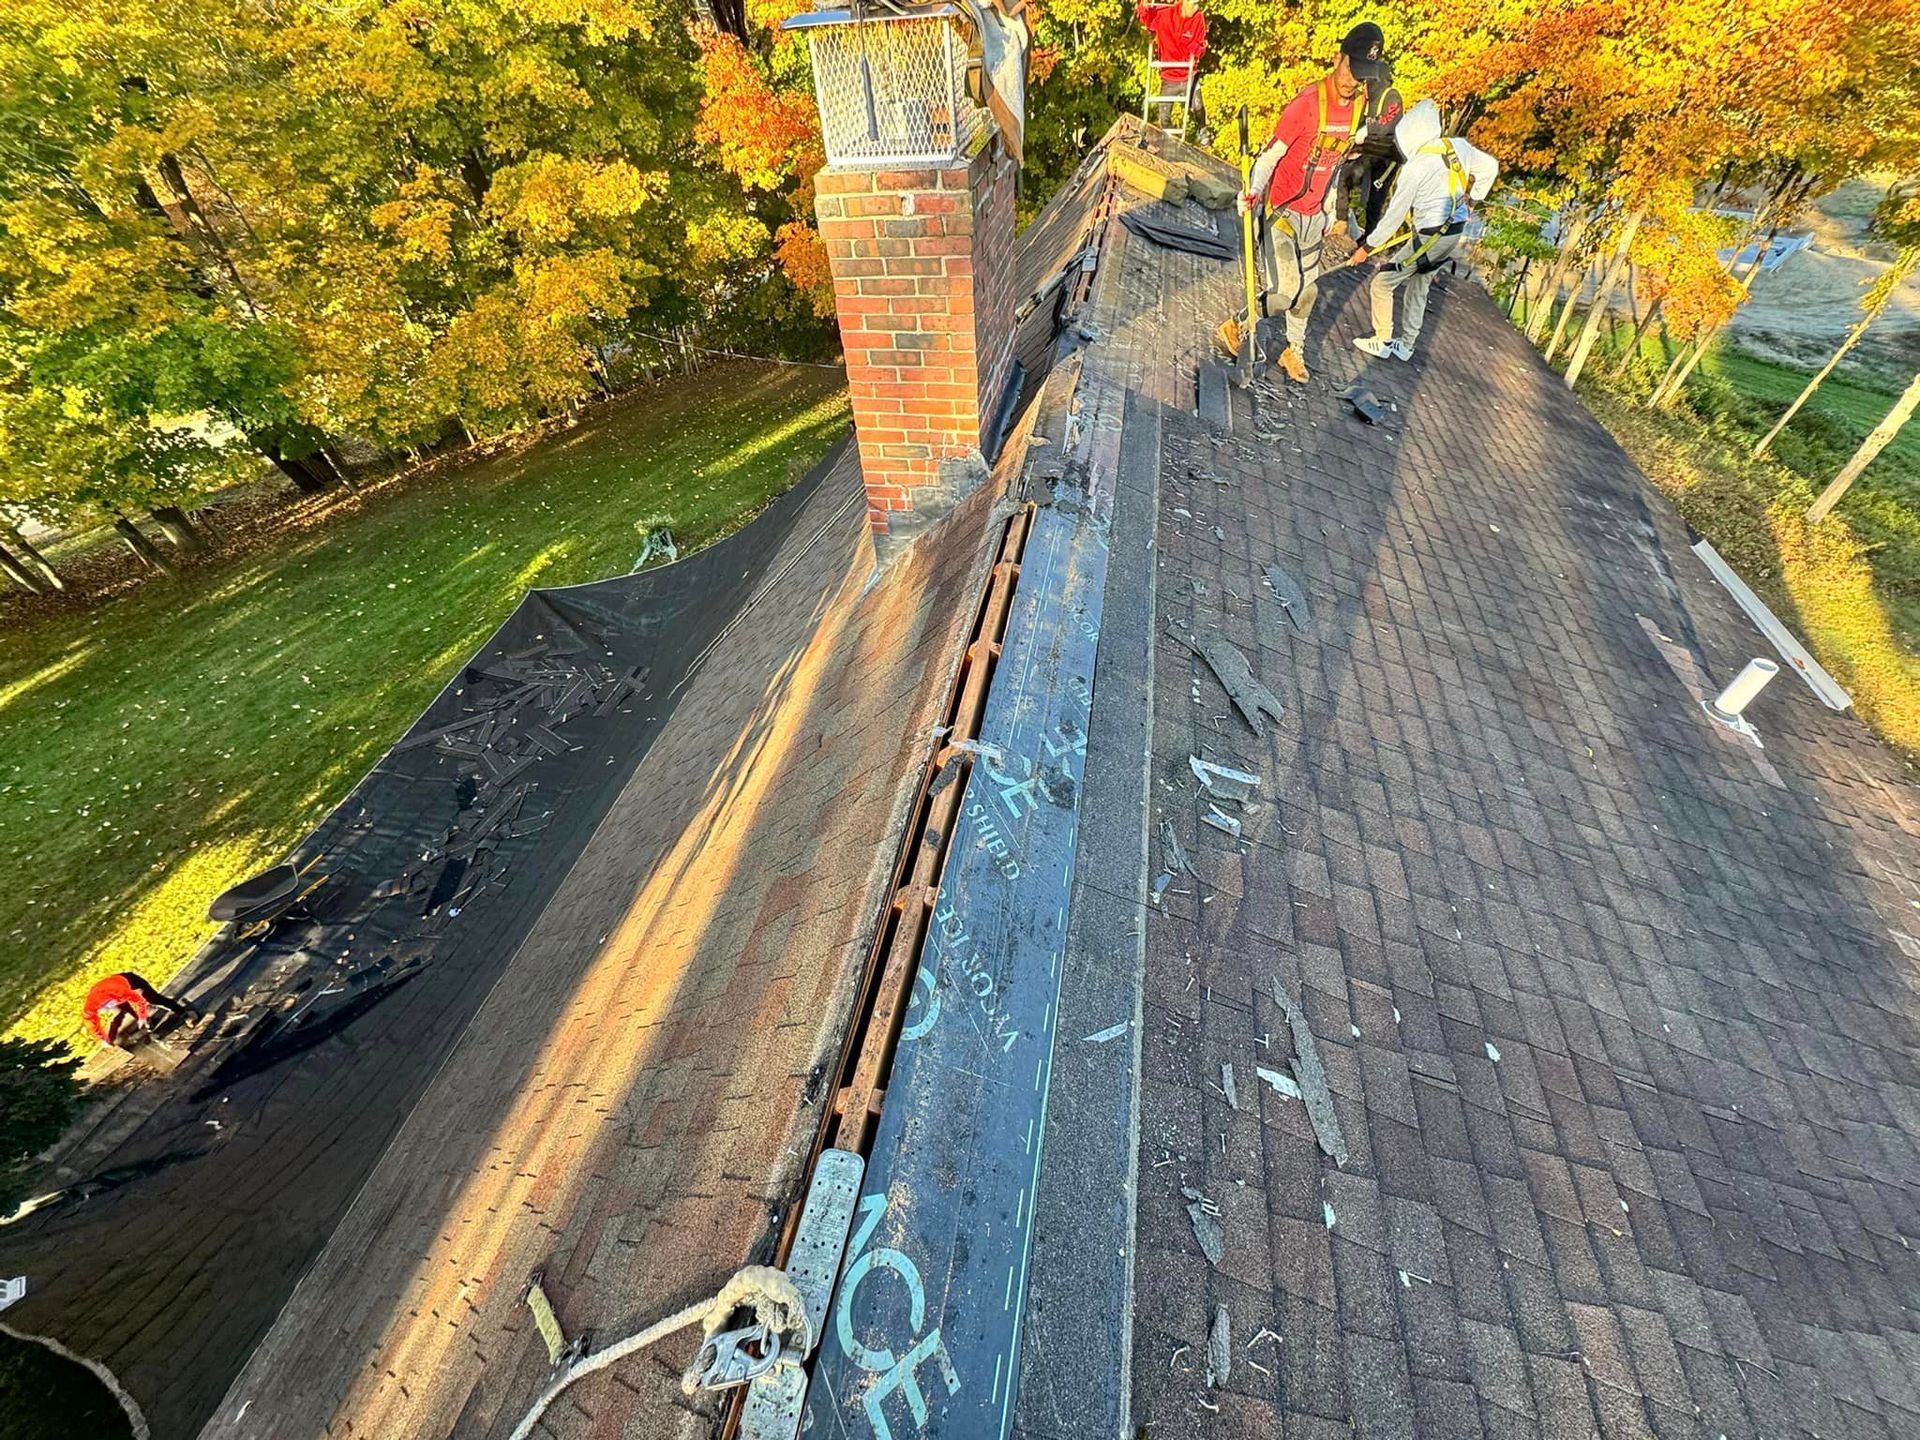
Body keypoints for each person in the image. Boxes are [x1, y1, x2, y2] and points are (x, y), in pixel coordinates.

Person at [1231, 24, 1384, 384]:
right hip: (1282, 212)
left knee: (1310, 291)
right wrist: (1252, 192)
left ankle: (1292, 351)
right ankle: (1238, 326)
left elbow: (1337, 162)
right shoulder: (1305, 106)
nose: (1353, 82)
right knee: (1285, 293)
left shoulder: (1359, 107)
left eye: (1362, 76)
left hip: (1314, 217)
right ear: (1337, 58)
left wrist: (1331, 206)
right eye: (1351, 70)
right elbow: (1269, 157)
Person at [1348, 99, 1499, 360]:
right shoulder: (1458, 147)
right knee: (1420, 282)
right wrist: (1473, 198)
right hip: (1453, 233)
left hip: (1429, 238)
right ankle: (1406, 346)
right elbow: (1490, 167)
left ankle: (1383, 341)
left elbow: (1393, 217)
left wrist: (1367, 248)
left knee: (1382, 283)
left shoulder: (1415, 168)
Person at [84, 971, 199, 1048]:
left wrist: (143, 1016)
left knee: (153, 999)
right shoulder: (91, 1006)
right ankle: (149, 1024)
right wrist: (103, 1039)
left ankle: (184, 1013)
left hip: (129, 981)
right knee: (128, 1013)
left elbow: (138, 1001)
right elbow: (91, 1023)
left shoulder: (119, 991)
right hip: (108, 991)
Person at [1136, 0, 1207, 124]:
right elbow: (1148, 18)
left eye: (1198, 4)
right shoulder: (1166, 14)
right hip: (1169, 76)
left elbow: (1200, 46)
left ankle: (1202, 131)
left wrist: (1193, 46)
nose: (1196, 8)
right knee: (1164, 116)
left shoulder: (1198, 18)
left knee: (1198, 106)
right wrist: (1144, 6)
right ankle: (1167, 139)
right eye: (1194, 4)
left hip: (1189, 74)